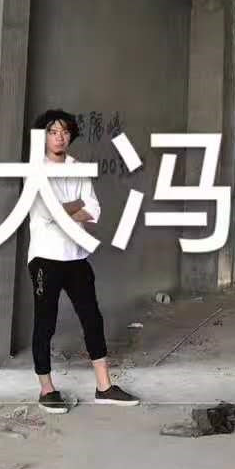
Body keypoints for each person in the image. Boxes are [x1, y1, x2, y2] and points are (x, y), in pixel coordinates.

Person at [27, 108, 139, 412]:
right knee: (45, 323)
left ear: (71, 135)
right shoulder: (35, 169)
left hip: (77, 256)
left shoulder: (78, 168)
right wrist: (73, 207)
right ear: (43, 137)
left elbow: (94, 210)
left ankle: (104, 386)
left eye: (64, 131)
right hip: (45, 258)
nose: (59, 137)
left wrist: (65, 210)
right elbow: (45, 213)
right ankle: (47, 389)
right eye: (52, 132)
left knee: (92, 319)